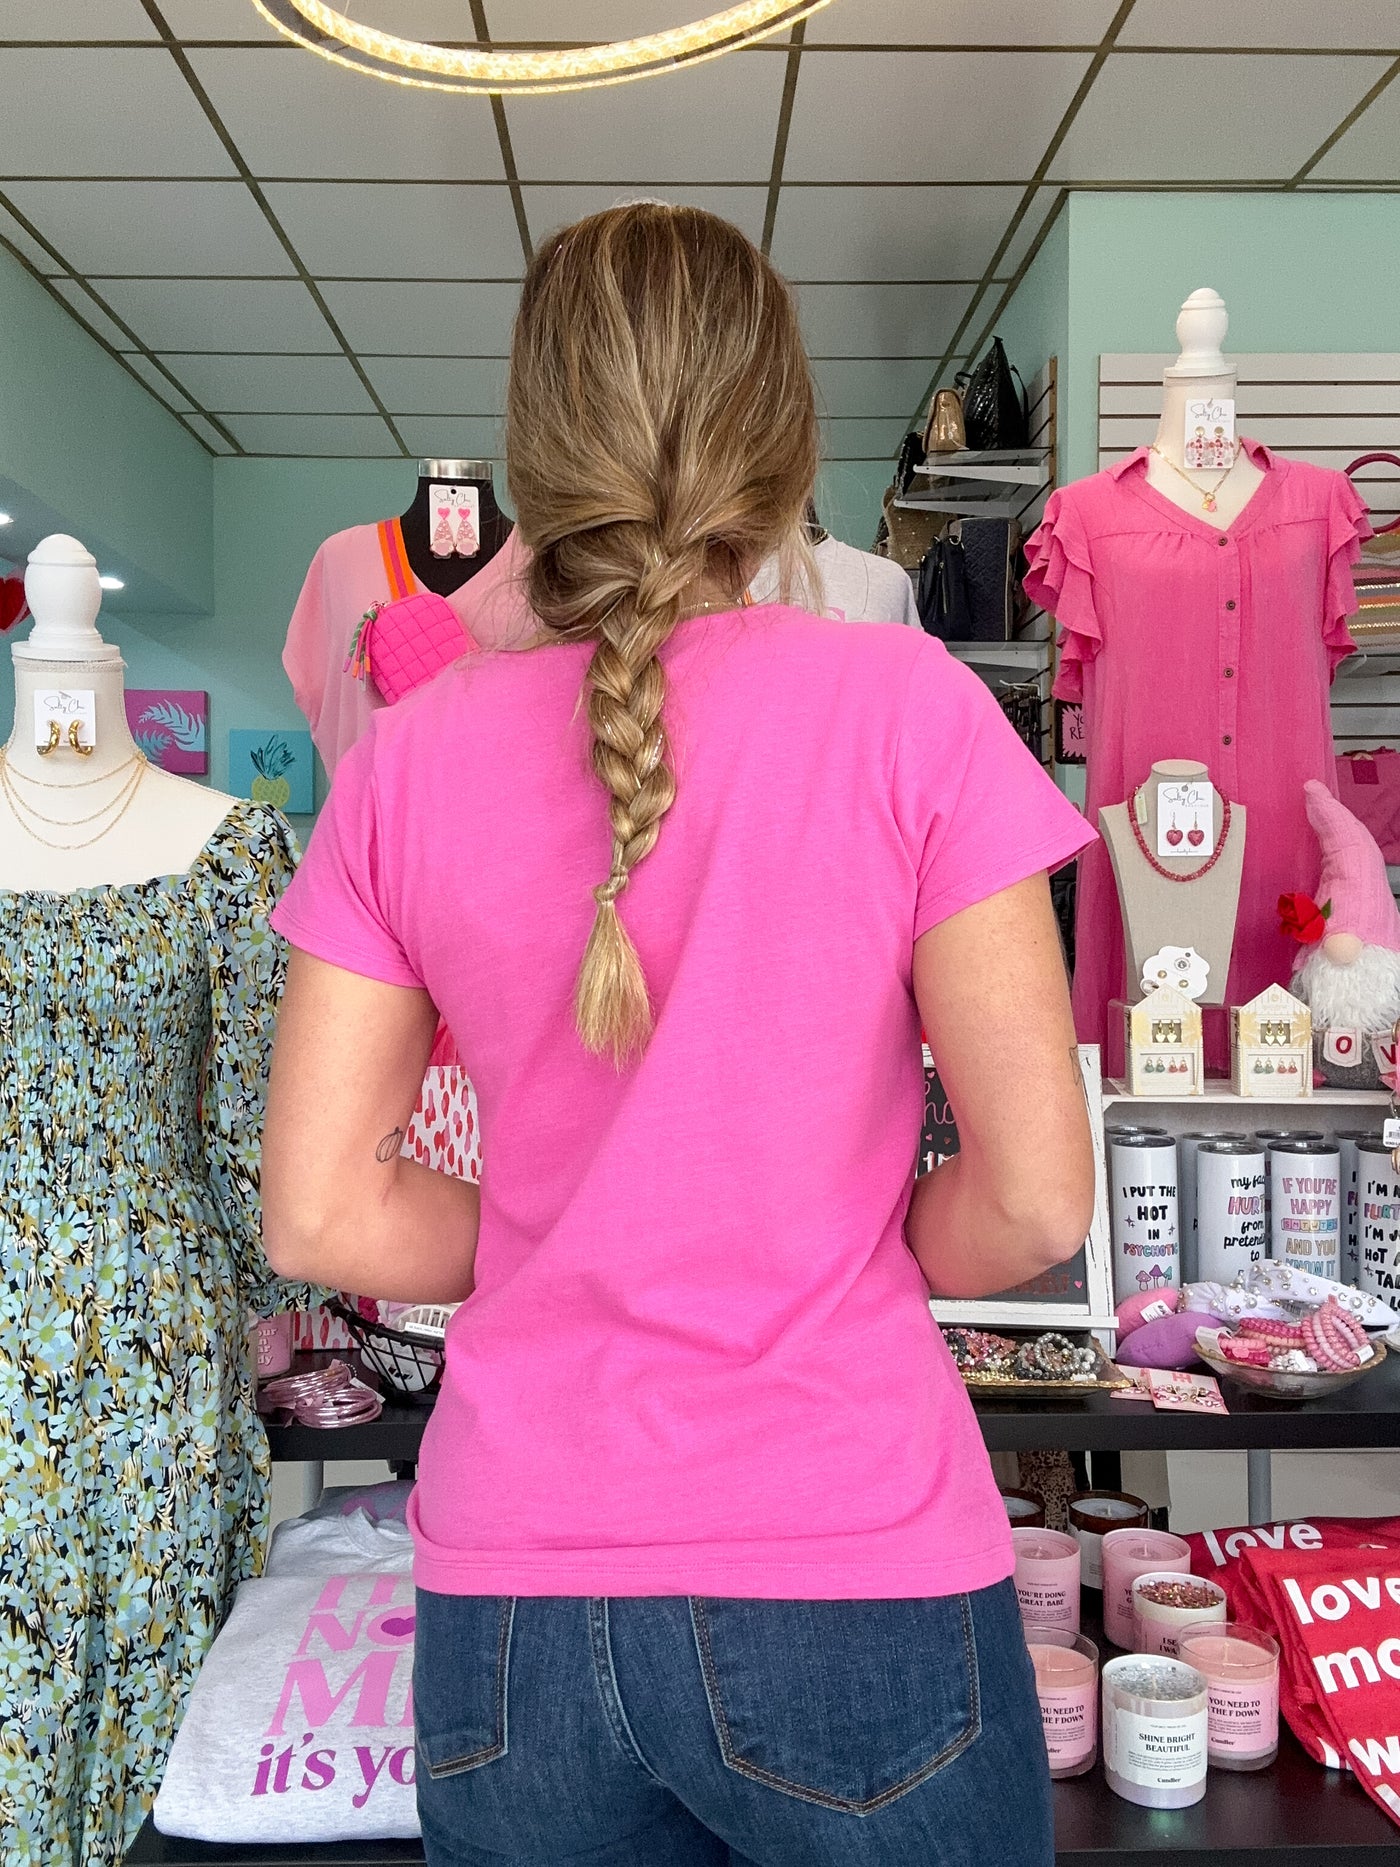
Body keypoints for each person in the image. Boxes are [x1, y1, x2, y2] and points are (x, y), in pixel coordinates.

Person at [263, 204, 1096, 1867]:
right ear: (786, 442)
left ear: (539, 452)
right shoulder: (911, 711)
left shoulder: (409, 764)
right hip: (850, 1561)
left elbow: (321, 1214)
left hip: (521, 1595)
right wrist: (868, 1228)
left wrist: (566, 1239)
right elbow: (1035, 1203)